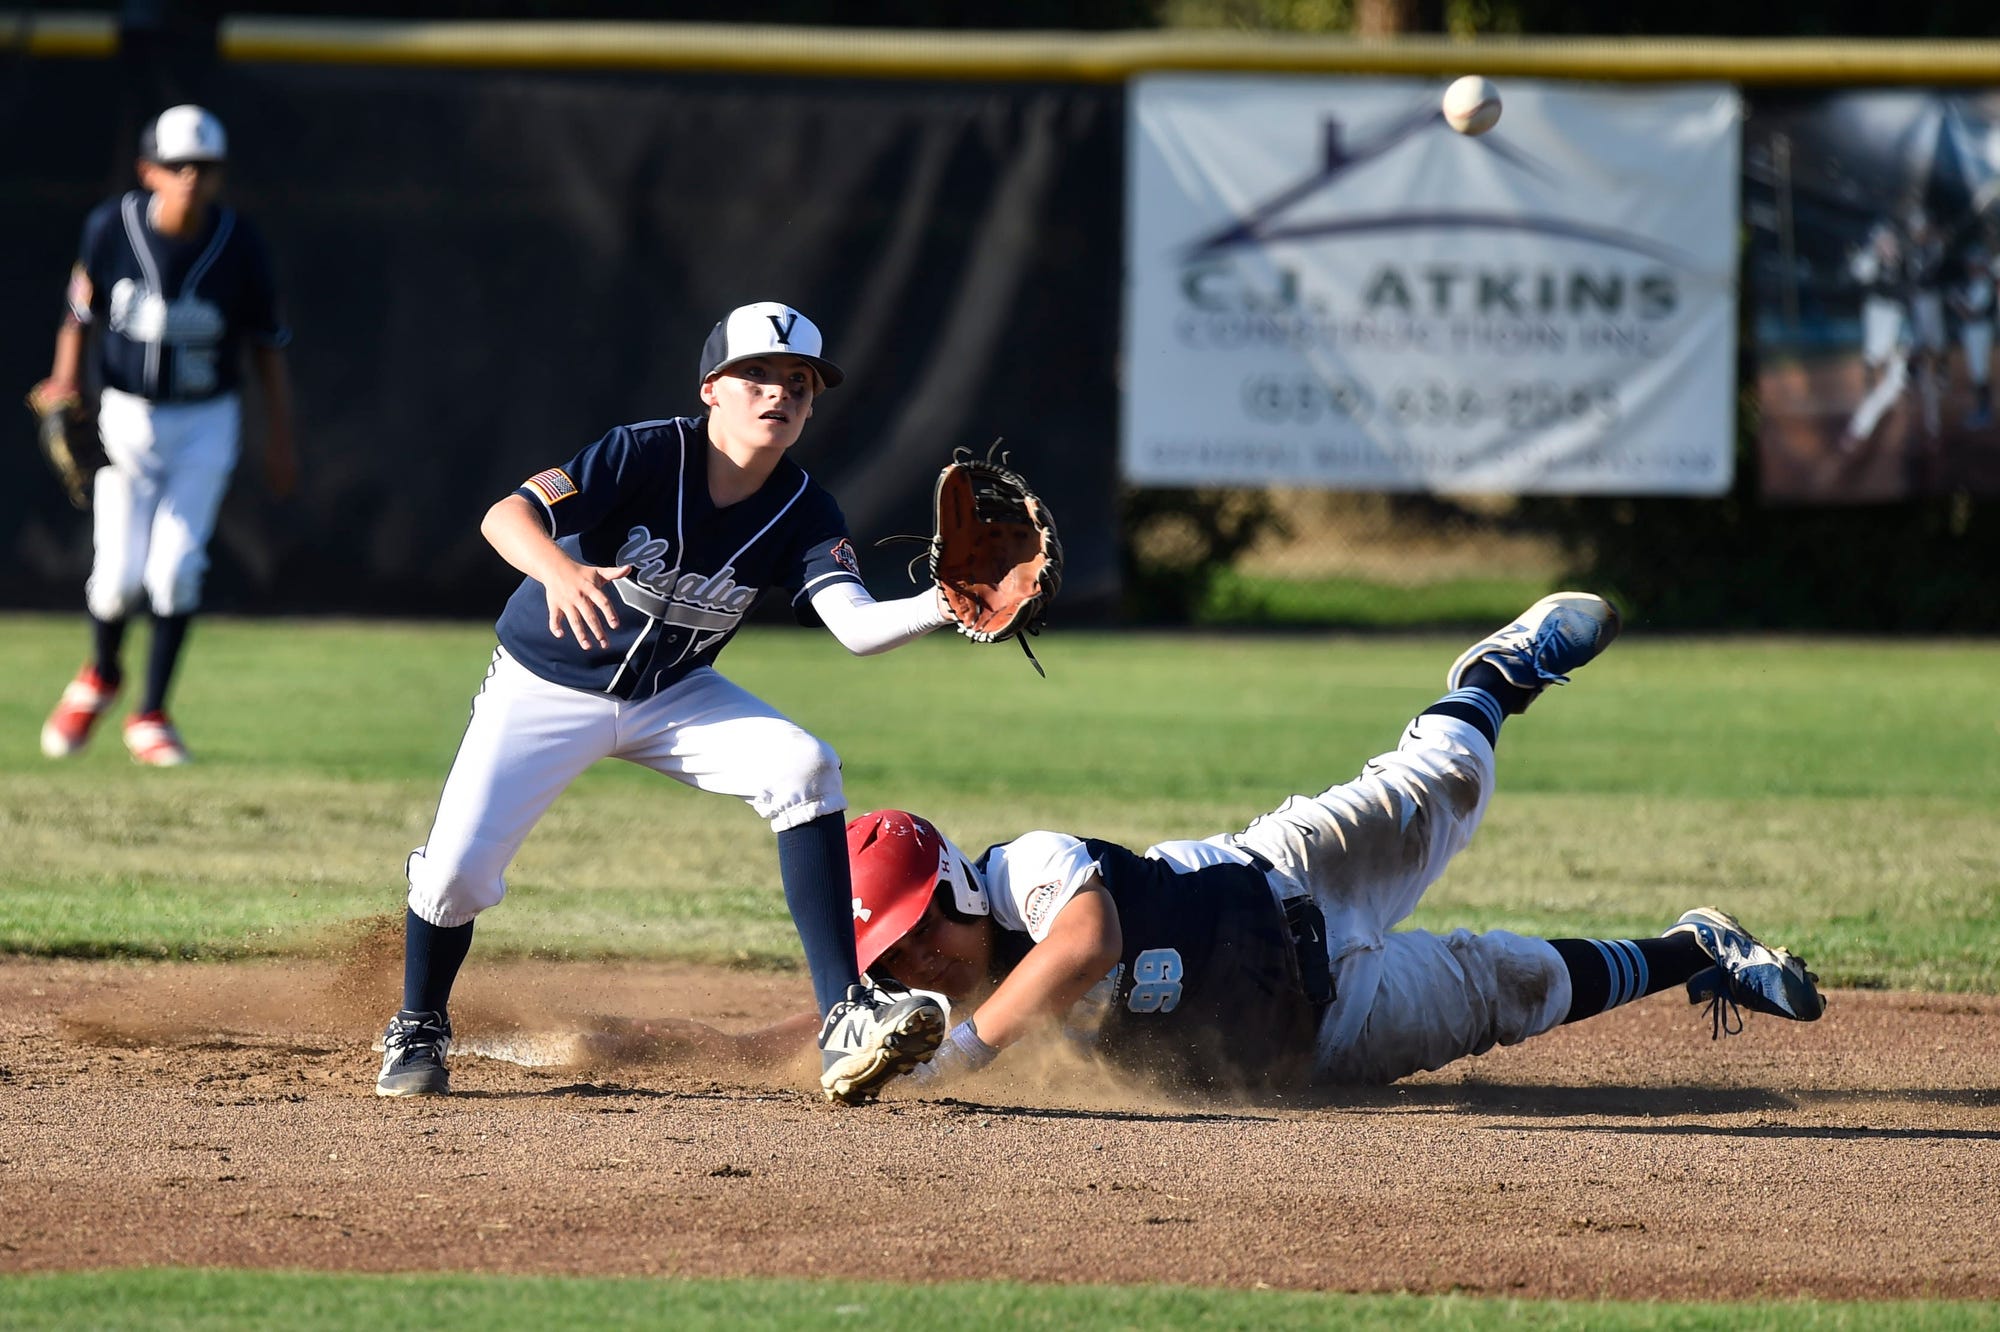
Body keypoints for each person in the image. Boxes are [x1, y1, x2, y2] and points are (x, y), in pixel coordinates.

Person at [599, 594, 1827, 1097]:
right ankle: (1691, 948)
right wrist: (674, 1050)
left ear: (946, 891)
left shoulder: (1027, 870)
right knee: (1510, 989)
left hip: (1288, 872)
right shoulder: (911, 1000)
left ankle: (1492, 677)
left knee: (1444, 780)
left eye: (909, 929)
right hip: (1321, 1030)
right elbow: (817, 1039)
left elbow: (1083, 941)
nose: (905, 959)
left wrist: (965, 1051)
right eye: (891, 948)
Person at [373, 301, 953, 1106]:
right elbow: (505, 515)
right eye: (756, 375)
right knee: (454, 882)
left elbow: (853, 627)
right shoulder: (641, 454)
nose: (777, 394)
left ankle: (845, 1015)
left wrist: (946, 605)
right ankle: (420, 1023)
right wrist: (559, 571)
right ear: (712, 388)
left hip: (674, 693)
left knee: (804, 766)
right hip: (545, 688)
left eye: (799, 382)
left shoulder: (805, 508)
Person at [35, 104, 298, 767]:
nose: (190, 178)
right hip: (125, 414)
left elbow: (268, 348)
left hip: (206, 421)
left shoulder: (240, 244)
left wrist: (280, 438)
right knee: (116, 580)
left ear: (218, 176)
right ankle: (100, 672)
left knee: (176, 572)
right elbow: (79, 312)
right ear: (148, 170)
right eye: (177, 165)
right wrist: (66, 379)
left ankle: (149, 713)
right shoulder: (111, 227)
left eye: (203, 168)